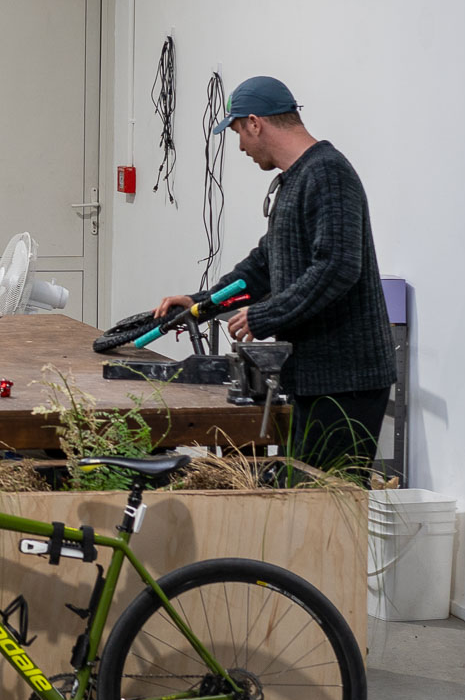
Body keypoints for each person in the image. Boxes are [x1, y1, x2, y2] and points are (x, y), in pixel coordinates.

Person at [152, 76, 394, 472]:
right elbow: (264, 266)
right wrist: (203, 303)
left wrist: (267, 316)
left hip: (345, 381)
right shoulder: (296, 180)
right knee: (307, 501)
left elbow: (336, 268)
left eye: (237, 133)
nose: (241, 146)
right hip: (317, 378)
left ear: (254, 123)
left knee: (329, 505)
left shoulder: (327, 174)